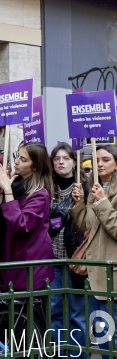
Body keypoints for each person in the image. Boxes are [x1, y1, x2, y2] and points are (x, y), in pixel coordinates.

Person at [71, 145, 117, 356]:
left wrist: (103, 202)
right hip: (95, 273)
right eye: (96, 159)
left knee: (113, 334)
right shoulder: (95, 188)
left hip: (112, 275)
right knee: (102, 334)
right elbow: (88, 230)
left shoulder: (104, 194)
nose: (99, 163)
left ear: (116, 164)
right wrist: (80, 204)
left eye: (106, 159)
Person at [0, 142, 54, 292]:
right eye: (17, 156)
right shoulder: (16, 185)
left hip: (29, 265)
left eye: (23, 159)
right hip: (11, 257)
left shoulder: (41, 194)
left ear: (35, 167)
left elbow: (20, 224)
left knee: (27, 313)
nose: (16, 161)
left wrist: (7, 191)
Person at [47, 142, 86, 355]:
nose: (61, 162)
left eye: (65, 158)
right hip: (52, 259)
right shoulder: (47, 189)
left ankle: (77, 353)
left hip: (76, 260)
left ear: (74, 161)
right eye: (57, 159)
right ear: (52, 164)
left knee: (77, 312)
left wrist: (81, 202)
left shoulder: (85, 187)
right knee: (54, 312)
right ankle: (59, 352)